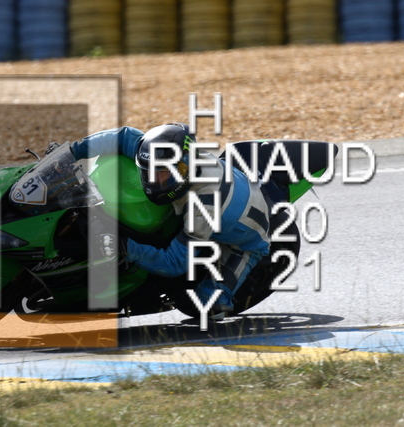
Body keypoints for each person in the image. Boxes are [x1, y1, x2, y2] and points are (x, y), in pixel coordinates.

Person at [69, 123, 271, 318]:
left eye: (164, 173)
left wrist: (126, 247)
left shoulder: (204, 206)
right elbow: (121, 137)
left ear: (186, 167)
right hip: (231, 189)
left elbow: (175, 263)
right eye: (149, 172)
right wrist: (72, 151)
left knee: (209, 305)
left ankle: (224, 292)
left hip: (248, 236)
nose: (155, 180)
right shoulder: (158, 154)